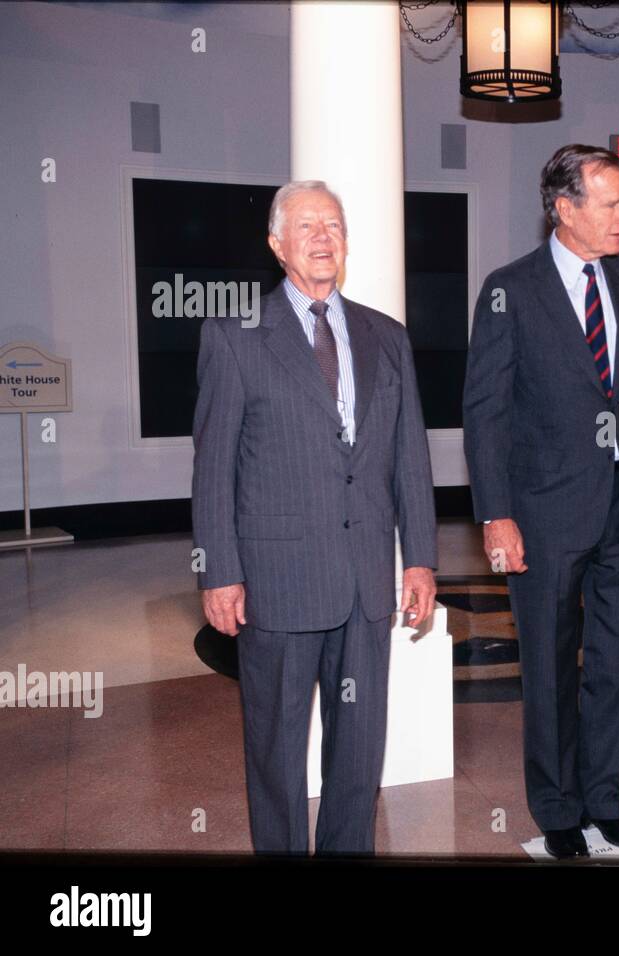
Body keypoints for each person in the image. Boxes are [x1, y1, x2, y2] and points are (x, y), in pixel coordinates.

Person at [192, 180, 438, 852]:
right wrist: (218, 571)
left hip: (365, 586)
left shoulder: (386, 337)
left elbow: (408, 456)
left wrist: (419, 557)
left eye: (334, 225)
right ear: (277, 245)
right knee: (275, 750)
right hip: (278, 582)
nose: (324, 238)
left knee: (359, 753)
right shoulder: (235, 336)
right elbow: (214, 467)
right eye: (307, 227)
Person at [462, 144, 619, 859]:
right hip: (542, 514)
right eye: (613, 203)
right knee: (552, 666)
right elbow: (486, 412)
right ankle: (556, 808)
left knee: (617, 663)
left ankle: (604, 800)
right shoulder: (509, 289)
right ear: (565, 209)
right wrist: (496, 515)